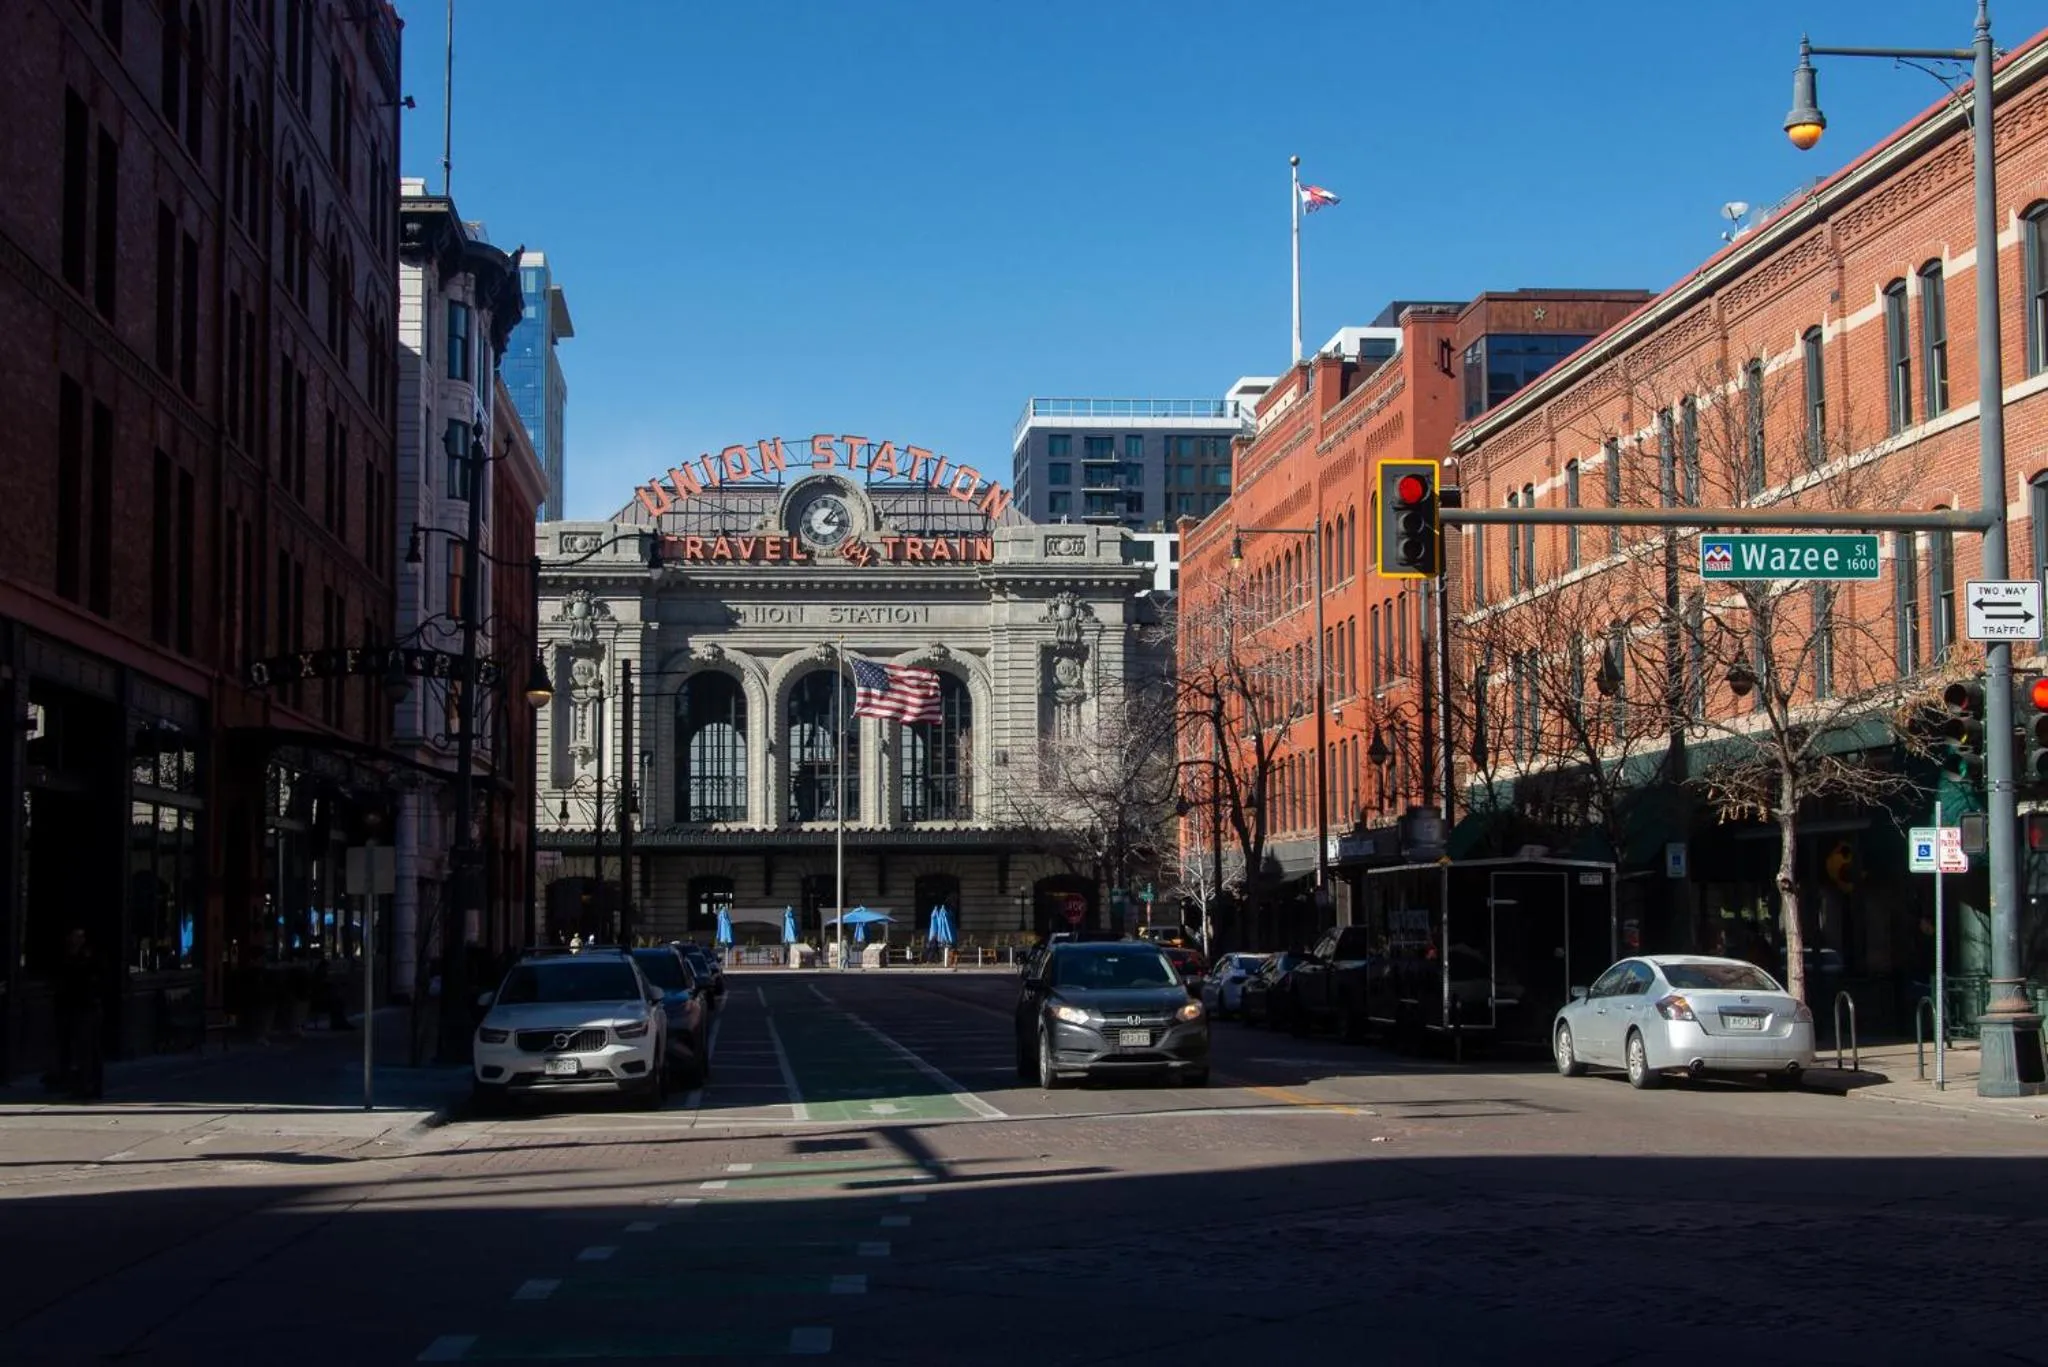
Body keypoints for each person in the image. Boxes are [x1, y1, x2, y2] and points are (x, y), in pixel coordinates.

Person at [50, 928, 102, 1100]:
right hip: (70, 1005)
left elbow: (93, 978)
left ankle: (89, 1085)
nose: (77, 939)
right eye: (74, 936)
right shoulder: (66, 956)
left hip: (86, 1006)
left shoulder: (88, 957)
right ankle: (73, 1082)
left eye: (80, 936)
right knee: (71, 1046)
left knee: (87, 1048)